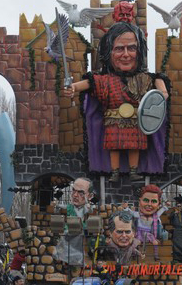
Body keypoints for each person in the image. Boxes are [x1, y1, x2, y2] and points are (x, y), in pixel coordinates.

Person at [64, 21, 170, 182]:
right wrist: (72, 87)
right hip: (113, 122)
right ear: (109, 52)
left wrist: (162, 93)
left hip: (137, 123)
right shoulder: (103, 80)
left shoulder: (147, 79)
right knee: (114, 146)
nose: (126, 54)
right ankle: (114, 171)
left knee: (135, 146)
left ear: (139, 51)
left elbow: (161, 90)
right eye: (119, 48)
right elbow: (86, 85)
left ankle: (134, 170)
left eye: (132, 48)